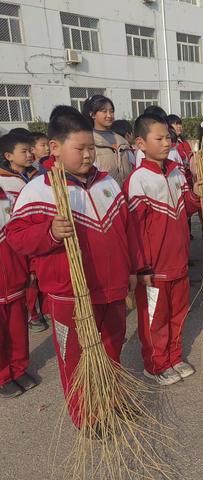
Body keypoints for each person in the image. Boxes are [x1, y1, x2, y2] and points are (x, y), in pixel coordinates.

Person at [6, 108, 140, 425]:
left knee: (112, 347)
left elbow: (128, 230)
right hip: (70, 296)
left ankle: (111, 398)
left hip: (112, 287)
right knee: (75, 357)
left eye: (91, 147)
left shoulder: (107, 183)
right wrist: (49, 232)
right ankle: (86, 414)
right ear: (54, 148)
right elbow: (16, 237)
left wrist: (133, 269)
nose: (88, 155)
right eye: (79, 149)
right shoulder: (39, 190)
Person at [124, 114, 201, 386]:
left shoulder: (176, 171)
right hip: (154, 268)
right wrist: (141, 266)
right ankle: (155, 365)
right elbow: (134, 230)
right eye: (159, 138)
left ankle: (174, 356)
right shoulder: (138, 179)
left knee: (178, 313)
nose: (167, 142)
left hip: (179, 260)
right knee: (154, 318)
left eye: (168, 137)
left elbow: (187, 210)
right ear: (141, 144)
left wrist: (197, 196)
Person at [0, 133, 47, 332]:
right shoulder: (4, 182)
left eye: (31, 150)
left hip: (35, 231)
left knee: (34, 273)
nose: (30, 154)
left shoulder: (36, 176)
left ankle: (38, 310)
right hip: (15, 238)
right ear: (9, 156)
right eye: (24, 151)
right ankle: (32, 314)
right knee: (23, 279)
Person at [0, 184, 35, 398]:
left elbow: (25, 237)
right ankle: (3, 377)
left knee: (18, 331)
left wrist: (30, 268)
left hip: (15, 279)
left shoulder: (10, 199)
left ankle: (19, 369)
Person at [82, 95, 132, 185]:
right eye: (104, 111)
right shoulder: (89, 141)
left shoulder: (122, 141)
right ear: (92, 114)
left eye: (111, 111)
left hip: (126, 195)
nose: (109, 115)